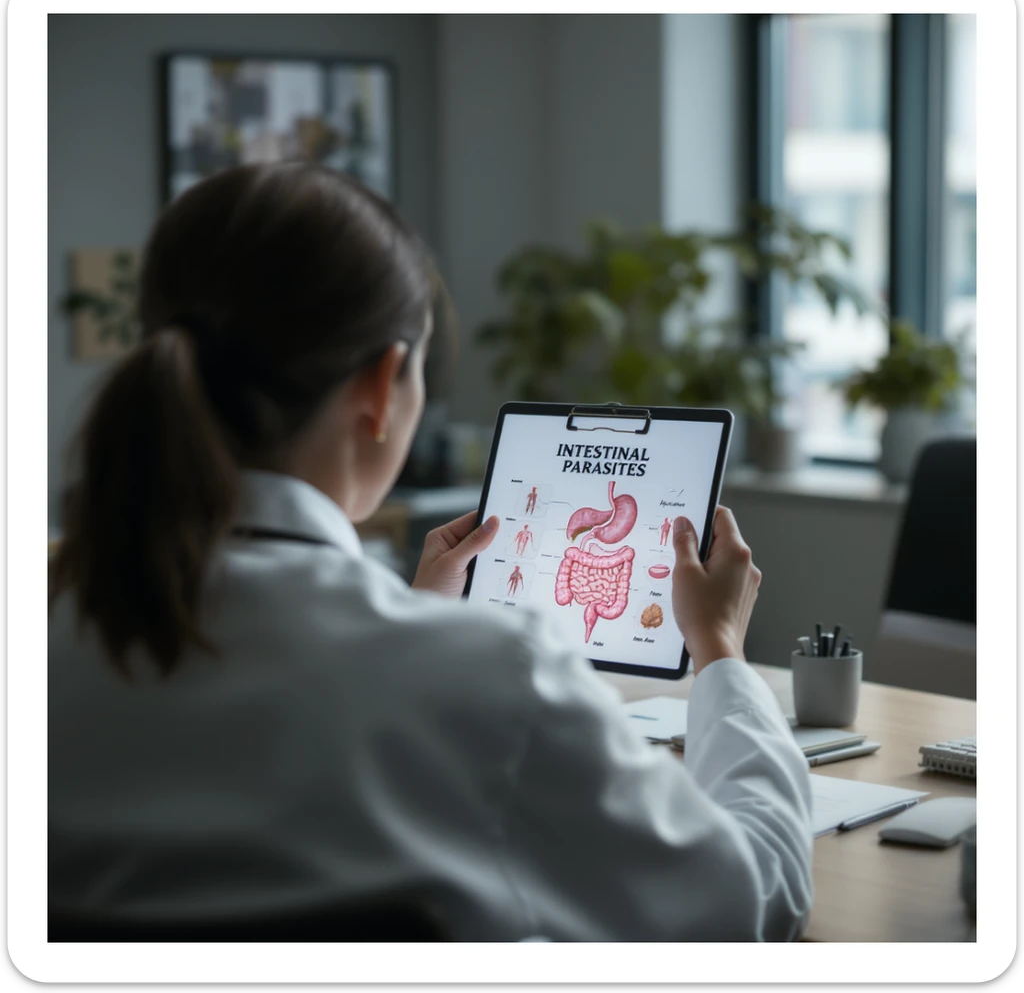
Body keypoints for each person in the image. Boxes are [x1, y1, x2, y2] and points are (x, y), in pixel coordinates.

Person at [48, 163, 813, 942]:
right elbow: (745, 907)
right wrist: (719, 654)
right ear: (383, 386)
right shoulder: (494, 683)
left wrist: (416, 619)